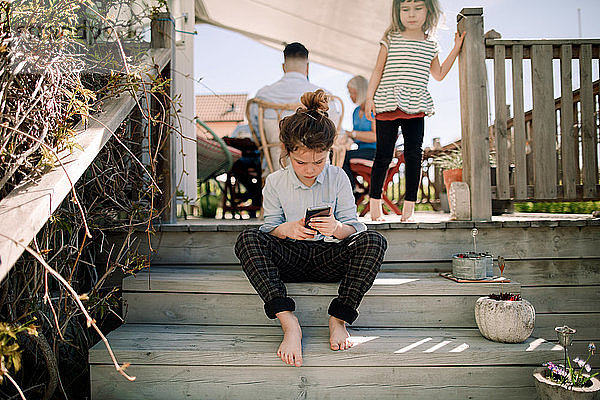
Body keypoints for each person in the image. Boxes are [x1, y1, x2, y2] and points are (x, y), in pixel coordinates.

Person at [235, 90, 387, 367]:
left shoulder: (338, 176)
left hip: (330, 257)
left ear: (329, 152)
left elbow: (355, 228)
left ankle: (339, 318)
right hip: (291, 256)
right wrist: (286, 229)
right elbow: (268, 228)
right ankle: (288, 321)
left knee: (374, 241)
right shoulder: (276, 182)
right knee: (247, 238)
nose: (310, 169)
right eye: (301, 162)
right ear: (288, 153)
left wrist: (337, 228)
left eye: (318, 161)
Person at [365, 0, 465, 221]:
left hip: (416, 104)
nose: (411, 14)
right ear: (397, 12)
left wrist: (456, 49)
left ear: (428, 10)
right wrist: (369, 97)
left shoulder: (431, 44)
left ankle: (408, 209)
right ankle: (375, 207)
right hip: (387, 101)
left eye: (418, 8)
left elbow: (438, 74)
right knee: (383, 155)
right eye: (405, 9)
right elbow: (377, 70)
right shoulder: (390, 38)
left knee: (413, 155)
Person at [249, 42, 340, 175]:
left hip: (276, 170)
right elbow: (334, 134)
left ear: (283, 67)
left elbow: (256, 136)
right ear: (307, 67)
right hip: (317, 173)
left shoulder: (263, 96)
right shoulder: (324, 96)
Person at [341, 75, 377, 194]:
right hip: (361, 150)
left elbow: (375, 136)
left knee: (343, 157)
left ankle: (352, 189)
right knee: (337, 154)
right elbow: (354, 138)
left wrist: (353, 134)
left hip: (374, 152)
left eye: (353, 93)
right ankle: (352, 188)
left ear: (361, 91)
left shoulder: (373, 108)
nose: (350, 96)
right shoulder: (356, 112)